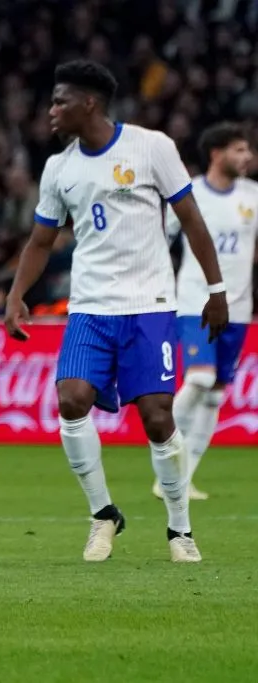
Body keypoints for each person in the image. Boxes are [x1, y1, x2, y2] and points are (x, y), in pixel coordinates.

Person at [3, 61, 229, 564]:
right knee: (71, 400)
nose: (52, 110)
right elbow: (42, 240)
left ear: (91, 103)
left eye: (61, 101)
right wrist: (17, 294)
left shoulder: (151, 148)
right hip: (90, 308)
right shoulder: (59, 167)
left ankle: (179, 530)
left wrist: (216, 289)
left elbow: (191, 219)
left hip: (149, 307)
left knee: (156, 417)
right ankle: (103, 514)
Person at [157, 122, 257, 501]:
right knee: (199, 379)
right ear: (217, 153)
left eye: (247, 150)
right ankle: (163, 457)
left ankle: (183, 479)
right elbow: (159, 239)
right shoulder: (190, 193)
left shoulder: (252, 196)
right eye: (239, 149)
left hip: (240, 307)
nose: (247, 157)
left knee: (214, 395)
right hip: (195, 301)